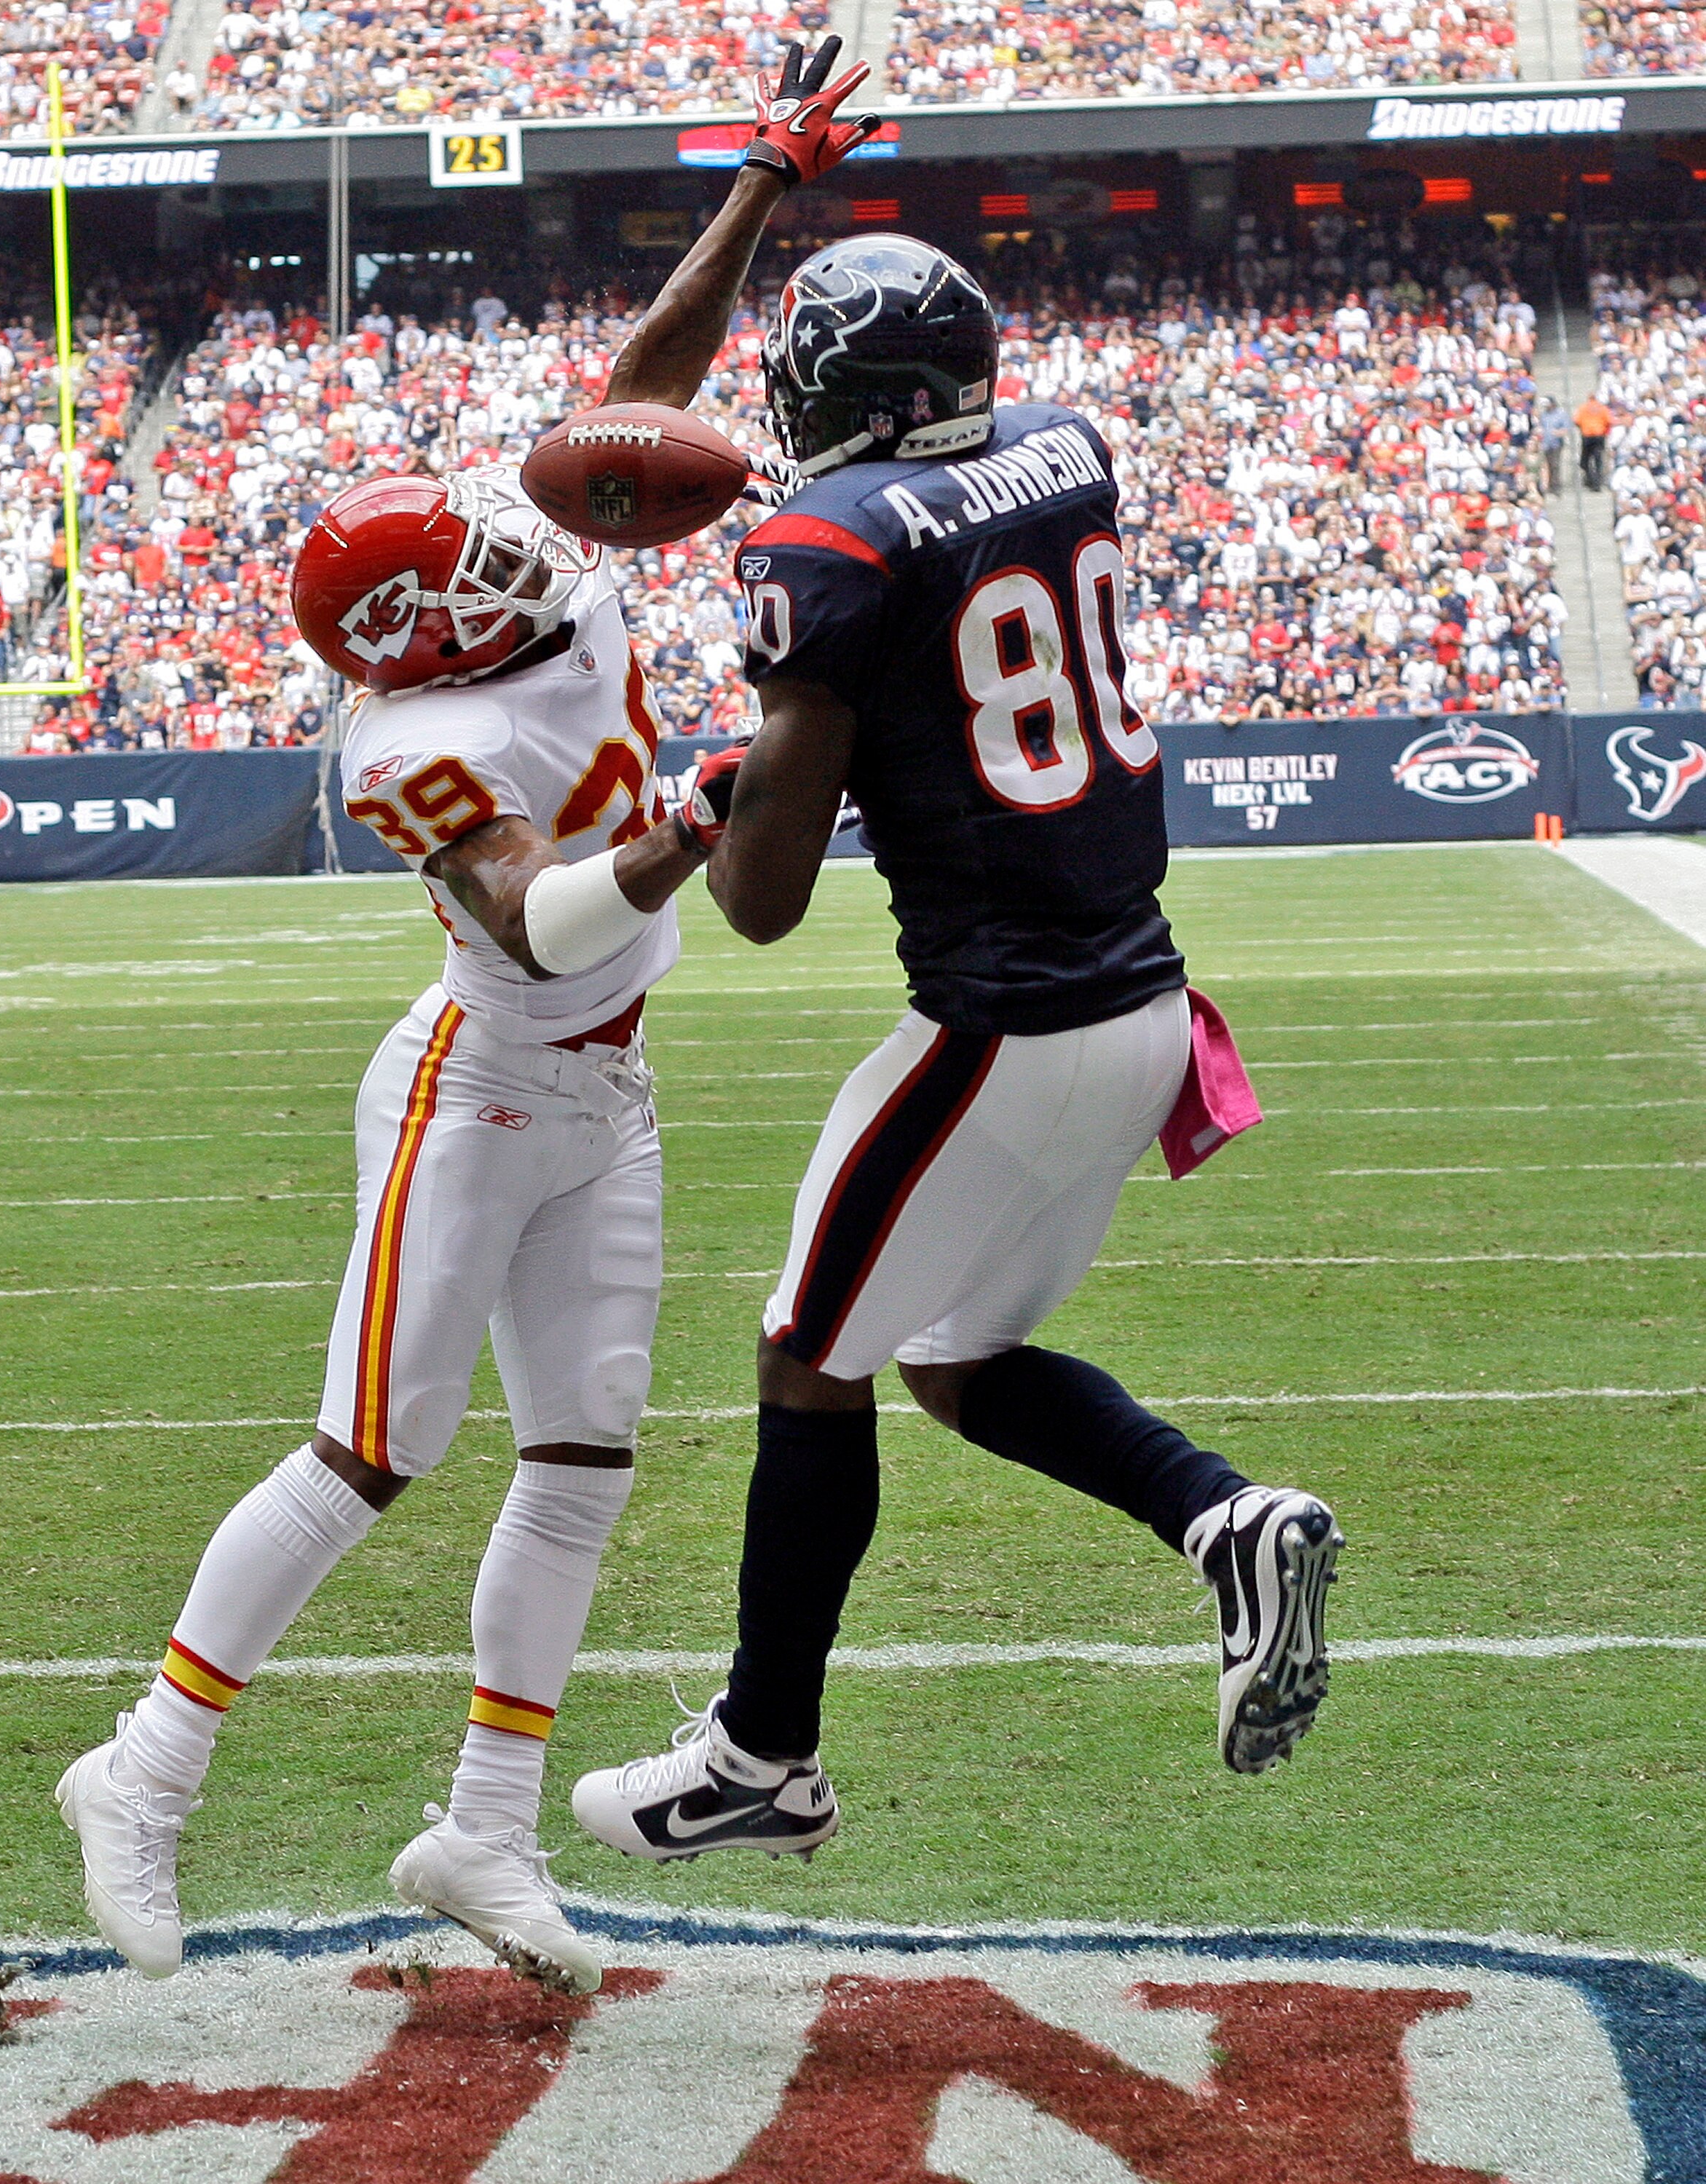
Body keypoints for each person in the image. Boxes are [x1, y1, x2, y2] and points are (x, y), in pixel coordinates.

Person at [52, 41, 874, 1995]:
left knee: (583, 1458)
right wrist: (699, 815)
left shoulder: (505, 575)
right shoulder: (409, 743)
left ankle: (479, 1836)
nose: (511, 544)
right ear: (410, 639)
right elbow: (524, 922)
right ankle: (142, 1772)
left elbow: (639, 391)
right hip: (480, 1080)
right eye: (459, 564)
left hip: (614, 1084)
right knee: (369, 1447)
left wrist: (760, 183)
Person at [572, 224, 1343, 1867]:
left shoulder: (830, 540)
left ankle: (764, 1751)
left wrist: (730, 791)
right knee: (953, 1360)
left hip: (998, 1037)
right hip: (1142, 1015)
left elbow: (765, 905)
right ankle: (1225, 1517)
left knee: (805, 1354)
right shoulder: (1065, 452)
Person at [1575, 393, 1612, 491]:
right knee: (1598, 461)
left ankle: (1591, 480)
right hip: (1599, 436)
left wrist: (1584, 427)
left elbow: (1577, 421)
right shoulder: (1602, 408)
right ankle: (1597, 483)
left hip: (1587, 436)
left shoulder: (1583, 408)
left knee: (1584, 461)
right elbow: (1609, 421)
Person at [1538, 395, 1568, 496]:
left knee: (1555, 464)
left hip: (1556, 443)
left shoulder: (1561, 414)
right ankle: (1549, 484)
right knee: (1548, 465)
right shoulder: (1544, 415)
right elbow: (1541, 427)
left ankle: (1556, 485)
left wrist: (1558, 433)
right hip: (1546, 443)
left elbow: (1565, 429)